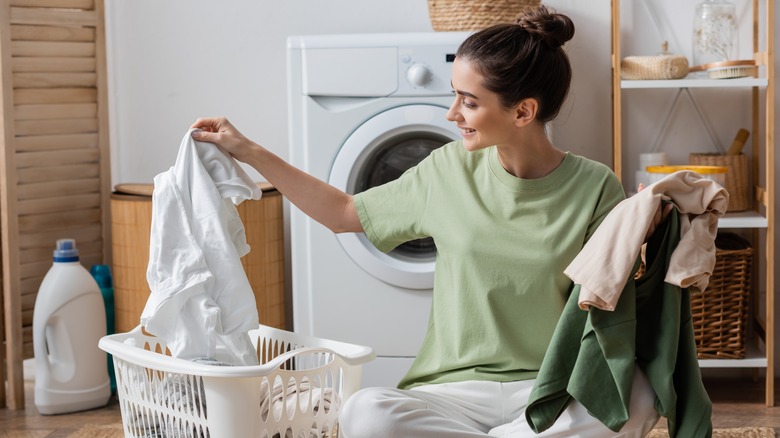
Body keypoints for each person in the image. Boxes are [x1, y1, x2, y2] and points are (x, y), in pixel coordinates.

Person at [191, 5, 665, 437]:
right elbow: (343, 213)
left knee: (640, 395)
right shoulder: (447, 169)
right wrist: (248, 150)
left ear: (523, 111)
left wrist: (646, 233)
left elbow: (612, 294)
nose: (452, 113)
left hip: (551, 388)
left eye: (469, 101)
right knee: (367, 412)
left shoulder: (594, 185)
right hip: (451, 393)